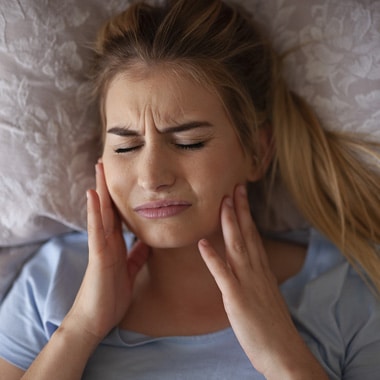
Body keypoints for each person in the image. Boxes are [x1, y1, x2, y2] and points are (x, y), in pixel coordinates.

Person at [0, 0, 379, 379]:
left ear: (258, 152)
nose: (151, 177)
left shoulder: (351, 291)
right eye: (125, 147)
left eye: (189, 142)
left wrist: (283, 356)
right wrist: (80, 329)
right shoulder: (51, 282)